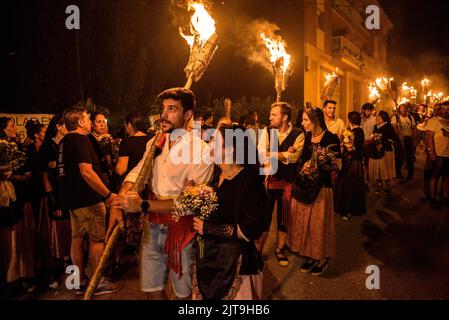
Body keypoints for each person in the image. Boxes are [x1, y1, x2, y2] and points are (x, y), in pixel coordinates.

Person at [108, 87, 214, 300]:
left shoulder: (201, 151)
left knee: (183, 295)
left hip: (181, 232)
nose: (163, 115)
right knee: (152, 291)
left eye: (172, 109)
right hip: (151, 228)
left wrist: (143, 205)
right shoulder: (155, 142)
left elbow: (191, 202)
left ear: (188, 115)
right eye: (163, 108)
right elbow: (138, 173)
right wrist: (120, 200)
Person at [192, 124, 266, 300]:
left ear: (230, 149)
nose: (210, 144)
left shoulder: (249, 181)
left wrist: (208, 228)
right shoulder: (215, 174)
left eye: (215, 141)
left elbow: (250, 230)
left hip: (234, 262)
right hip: (210, 257)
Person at [59, 104, 120, 295]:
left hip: (73, 200)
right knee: (96, 239)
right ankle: (98, 281)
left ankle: (78, 281)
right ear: (80, 121)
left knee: (76, 239)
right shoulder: (80, 139)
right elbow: (86, 172)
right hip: (89, 199)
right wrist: (108, 194)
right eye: (87, 118)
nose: (89, 121)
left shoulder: (64, 141)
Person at [286, 107, 341, 276]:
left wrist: (319, 164)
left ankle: (322, 258)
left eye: (305, 120)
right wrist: (294, 153)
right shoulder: (307, 137)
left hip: (322, 188)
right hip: (306, 187)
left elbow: (338, 165)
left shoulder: (331, 137)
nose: (302, 123)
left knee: (319, 225)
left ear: (315, 121)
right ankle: (311, 254)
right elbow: (301, 160)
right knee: (307, 223)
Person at [258, 102, 305, 267]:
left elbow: (294, 157)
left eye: (274, 114)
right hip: (269, 181)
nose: (269, 117)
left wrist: (274, 154)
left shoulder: (298, 133)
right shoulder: (267, 131)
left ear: (284, 117)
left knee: (283, 218)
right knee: (264, 217)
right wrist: (284, 154)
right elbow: (261, 155)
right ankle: (258, 250)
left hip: (287, 184)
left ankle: (279, 250)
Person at [37, 114, 71, 289]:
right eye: (66, 125)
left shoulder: (68, 143)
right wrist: (54, 202)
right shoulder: (47, 148)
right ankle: (53, 273)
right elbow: (45, 179)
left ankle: (71, 271)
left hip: (69, 195)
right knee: (56, 235)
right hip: (55, 196)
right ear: (58, 126)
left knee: (70, 234)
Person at [334, 112, 366, 220]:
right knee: (355, 185)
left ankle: (346, 210)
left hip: (350, 162)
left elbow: (350, 148)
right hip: (357, 162)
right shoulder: (360, 131)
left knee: (347, 185)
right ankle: (354, 208)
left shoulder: (352, 132)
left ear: (350, 120)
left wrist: (343, 141)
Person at [426, 101, 449, 209]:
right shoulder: (434, 120)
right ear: (440, 110)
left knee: (446, 177)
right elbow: (429, 138)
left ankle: (444, 197)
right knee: (435, 176)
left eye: (448, 109)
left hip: (448, 154)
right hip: (438, 153)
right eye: (444, 109)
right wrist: (432, 152)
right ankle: (433, 198)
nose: (446, 111)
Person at [368, 111, 397, 195]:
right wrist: (374, 137)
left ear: (382, 117)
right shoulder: (375, 126)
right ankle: (378, 186)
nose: (376, 117)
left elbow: (392, 139)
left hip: (386, 151)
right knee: (378, 169)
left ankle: (387, 187)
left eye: (378, 116)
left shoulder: (388, 126)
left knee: (386, 169)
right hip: (377, 152)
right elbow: (373, 135)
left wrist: (382, 142)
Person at [391, 103, 416, 180]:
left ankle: (410, 173)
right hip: (399, 140)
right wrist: (400, 134)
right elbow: (394, 127)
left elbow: (413, 127)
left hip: (408, 138)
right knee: (399, 156)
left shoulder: (410, 117)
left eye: (405, 108)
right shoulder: (395, 117)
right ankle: (398, 173)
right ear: (399, 109)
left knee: (409, 157)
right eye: (401, 108)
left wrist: (413, 135)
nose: (403, 110)